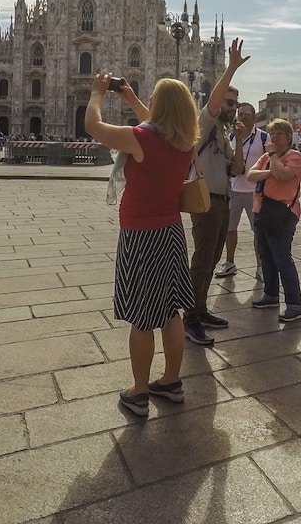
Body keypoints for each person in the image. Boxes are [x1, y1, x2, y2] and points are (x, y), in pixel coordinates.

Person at [84, 73, 199, 418]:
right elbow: (154, 124)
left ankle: (138, 392)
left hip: (141, 236)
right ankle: (171, 382)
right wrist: (133, 99)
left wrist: (97, 93)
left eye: (152, 98)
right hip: (172, 233)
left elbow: (93, 126)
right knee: (170, 311)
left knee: (142, 317)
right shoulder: (185, 142)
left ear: (159, 107)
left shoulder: (140, 140)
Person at [184, 38, 249, 345]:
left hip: (223, 201)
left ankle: (200, 308)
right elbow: (212, 104)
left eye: (235, 103)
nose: (234, 108)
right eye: (230, 103)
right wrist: (231, 68)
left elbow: (237, 171)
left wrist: (237, 141)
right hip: (206, 202)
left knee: (212, 259)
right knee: (202, 260)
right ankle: (191, 318)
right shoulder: (206, 124)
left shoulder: (223, 132)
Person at [248, 118, 301, 323]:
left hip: (282, 212)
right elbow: (251, 175)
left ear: (288, 137)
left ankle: (295, 304)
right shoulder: (266, 157)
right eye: (272, 133)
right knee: (266, 255)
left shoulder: (294, 156)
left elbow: (282, 176)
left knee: (282, 257)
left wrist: (272, 157)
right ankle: (271, 295)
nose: (273, 137)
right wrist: (270, 169)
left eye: (278, 133)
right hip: (261, 210)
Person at [215, 101, 265, 281]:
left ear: (254, 117)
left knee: (258, 231)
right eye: (240, 114)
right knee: (230, 228)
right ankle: (229, 262)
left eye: (246, 114)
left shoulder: (263, 138)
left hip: (255, 192)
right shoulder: (231, 137)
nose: (242, 117)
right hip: (234, 189)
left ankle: (261, 266)